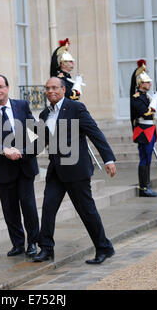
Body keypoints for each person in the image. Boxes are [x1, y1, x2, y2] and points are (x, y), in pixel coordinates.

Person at [32, 77, 117, 265]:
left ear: (63, 89)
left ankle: (104, 248)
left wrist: (108, 159)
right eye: (47, 88)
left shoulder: (75, 108)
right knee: (48, 208)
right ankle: (46, 248)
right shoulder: (44, 115)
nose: (51, 91)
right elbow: (41, 140)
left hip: (76, 169)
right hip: (56, 170)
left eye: (55, 87)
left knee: (87, 211)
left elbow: (94, 132)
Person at [0, 74, 40, 257]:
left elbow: (35, 131)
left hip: (25, 165)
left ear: (8, 87)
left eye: (1, 87)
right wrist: (4, 150)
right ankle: (18, 244)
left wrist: (25, 152)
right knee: (10, 209)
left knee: (28, 206)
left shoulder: (21, 106)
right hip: (3, 167)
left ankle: (33, 242)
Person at [129, 60, 157, 197]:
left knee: (148, 158)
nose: (150, 84)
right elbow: (145, 112)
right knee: (144, 158)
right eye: (147, 83)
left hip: (150, 130)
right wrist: (154, 103)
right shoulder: (137, 97)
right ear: (141, 84)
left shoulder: (145, 97)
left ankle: (147, 185)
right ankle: (144, 188)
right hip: (143, 131)